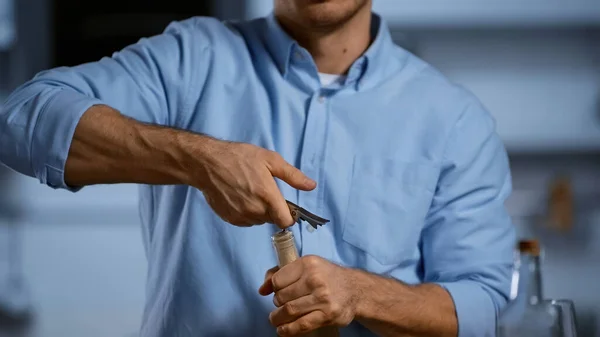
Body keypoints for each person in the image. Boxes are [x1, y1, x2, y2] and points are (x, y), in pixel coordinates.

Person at [0, 0, 515, 336]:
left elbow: (483, 304)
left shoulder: (454, 120)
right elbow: (20, 118)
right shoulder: (192, 58)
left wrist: (362, 293)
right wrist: (198, 159)